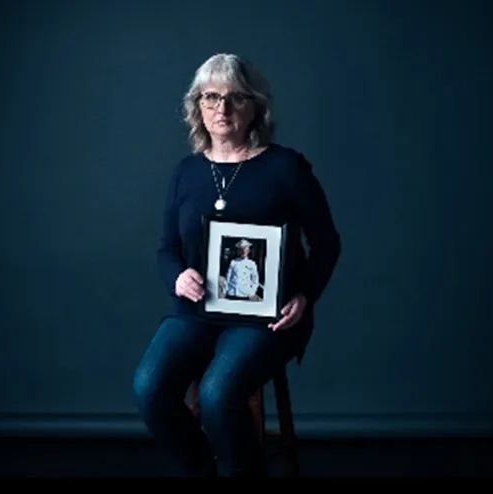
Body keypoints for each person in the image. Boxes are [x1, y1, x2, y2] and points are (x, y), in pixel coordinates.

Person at [132, 53, 341, 477]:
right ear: (197, 108)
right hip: (197, 312)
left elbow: (326, 243)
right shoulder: (186, 172)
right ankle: (199, 471)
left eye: (234, 98)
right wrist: (178, 277)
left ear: (255, 107)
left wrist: (303, 296)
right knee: (149, 389)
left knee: (217, 393)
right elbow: (165, 250)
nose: (221, 109)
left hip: (267, 317)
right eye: (210, 98)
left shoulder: (286, 167)